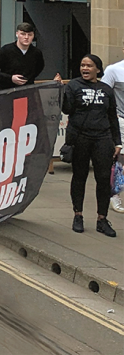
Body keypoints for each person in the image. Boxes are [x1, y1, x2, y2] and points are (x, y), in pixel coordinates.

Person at [59, 55, 121, 237]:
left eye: (89, 66)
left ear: (98, 70)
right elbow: (67, 109)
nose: (85, 68)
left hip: (102, 138)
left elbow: (112, 117)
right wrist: (60, 91)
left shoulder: (106, 89)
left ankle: (102, 219)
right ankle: (78, 215)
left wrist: (117, 142)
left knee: (103, 179)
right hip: (80, 137)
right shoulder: (74, 86)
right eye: (82, 65)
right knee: (80, 176)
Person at [0, 22, 45, 91]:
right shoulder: (6, 50)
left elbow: (39, 68)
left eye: (29, 35)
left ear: (33, 36)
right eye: (23, 34)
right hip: (7, 92)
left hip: (28, 92)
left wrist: (29, 78)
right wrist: (10, 78)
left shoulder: (36, 53)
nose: (26, 37)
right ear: (17, 34)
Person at [101, 43, 124, 213]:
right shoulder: (114, 70)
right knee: (120, 159)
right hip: (120, 119)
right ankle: (114, 194)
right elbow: (104, 93)